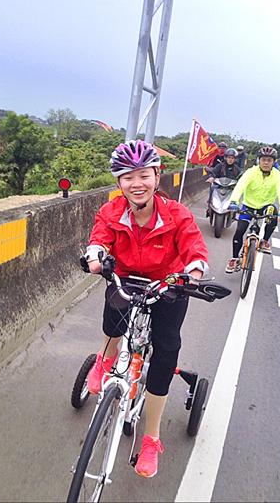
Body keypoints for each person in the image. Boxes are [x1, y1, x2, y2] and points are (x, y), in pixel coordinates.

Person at [83, 139, 209, 479]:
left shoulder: (177, 214)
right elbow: (100, 238)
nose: (136, 183)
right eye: (127, 177)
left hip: (169, 284)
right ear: (119, 182)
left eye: (143, 175)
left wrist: (193, 271)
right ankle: (105, 360)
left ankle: (151, 438)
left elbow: (194, 245)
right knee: (114, 313)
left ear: (157, 176)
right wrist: (95, 255)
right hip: (128, 278)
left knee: (166, 349)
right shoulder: (111, 211)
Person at [225, 145, 280, 272]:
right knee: (240, 230)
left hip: (266, 206)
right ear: (258, 160)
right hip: (248, 205)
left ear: (274, 162)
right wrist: (233, 201)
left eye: (269, 160)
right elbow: (240, 186)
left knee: (274, 214)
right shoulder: (251, 172)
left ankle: (264, 241)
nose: (266, 163)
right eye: (263, 159)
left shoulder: (278, 176)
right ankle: (234, 259)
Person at [206, 148, 242, 214]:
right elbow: (213, 172)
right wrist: (211, 177)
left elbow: (241, 177)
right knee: (212, 187)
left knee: (238, 193)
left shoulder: (237, 169)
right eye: (229, 157)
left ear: (235, 159)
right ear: (226, 158)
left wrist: (240, 183)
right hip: (219, 186)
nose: (230, 160)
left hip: (231, 188)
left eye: (232, 158)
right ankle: (209, 207)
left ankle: (234, 210)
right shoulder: (220, 166)